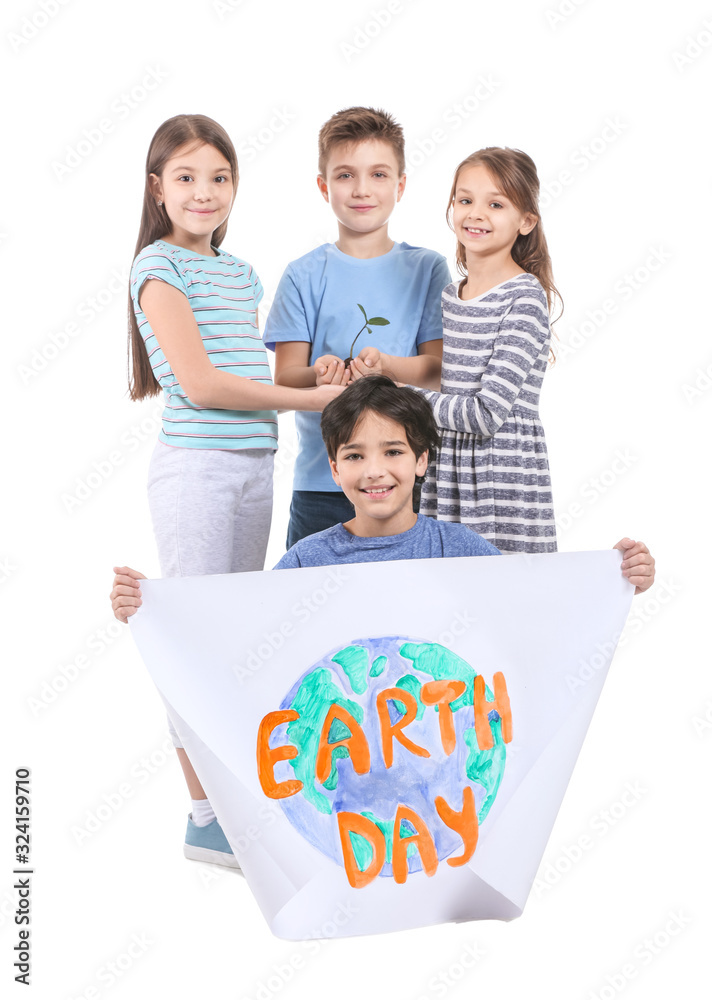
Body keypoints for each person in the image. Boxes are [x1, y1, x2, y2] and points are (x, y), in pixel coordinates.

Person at [125, 114, 343, 871]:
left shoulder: (239, 273)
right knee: (194, 644)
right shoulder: (158, 267)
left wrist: (320, 379)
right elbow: (202, 383)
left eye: (219, 177)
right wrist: (321, 406)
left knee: (233, 643)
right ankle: (204, 815)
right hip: (198, 474)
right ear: (158, 188)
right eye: (185, 177)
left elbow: (256, 376)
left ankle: (232, 803)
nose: (204, 192)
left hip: (254, 470)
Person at [112, 377, 655, 609]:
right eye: (355, 455)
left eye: (393, 452)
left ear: (422, 460)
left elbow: (532, 600)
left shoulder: (457, 549)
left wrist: (615, 577)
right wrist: (154, 605)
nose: (375, 471)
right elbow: (243, 630)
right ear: (333, 467)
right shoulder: (309, 560)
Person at [355, 148, 561, 554]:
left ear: (526, 221)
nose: (476, 213)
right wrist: (388, 367)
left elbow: (485, 414)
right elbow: (452, 377)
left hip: (499, 474)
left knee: (503, 590)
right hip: (449, 466)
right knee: (447, 586)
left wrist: (398, 395)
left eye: (496, 204)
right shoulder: (454, 295)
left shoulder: (524, 298)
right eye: (465, 200)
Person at [262, 106, 451, 548]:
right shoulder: (302, 274)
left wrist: (386, 367)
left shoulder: (427, 269)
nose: (362, 189)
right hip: (322, 482)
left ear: (400, 185)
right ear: (323, 185)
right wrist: (319, 375)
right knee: (311, 605)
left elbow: (439, 371)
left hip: (405, 483)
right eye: (345, 175)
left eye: (379, 174)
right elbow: (286, 380)